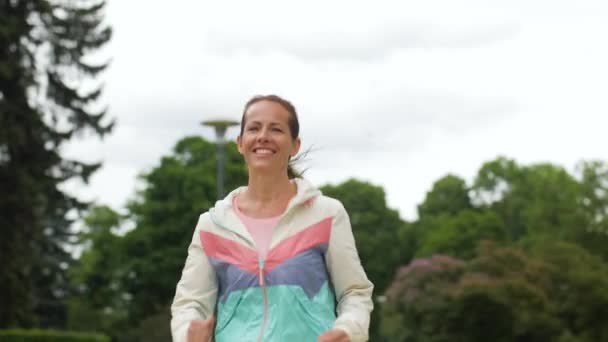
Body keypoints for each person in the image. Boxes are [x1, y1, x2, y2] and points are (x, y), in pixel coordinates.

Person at [170, 95, 373, 342]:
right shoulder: (212, 225)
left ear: (294, 145)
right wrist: (187, 334)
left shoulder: (327, 214)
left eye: (276, 129)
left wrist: (348, 330)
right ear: (240, 143)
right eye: (254, 128)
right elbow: (190, 303)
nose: (263, 136)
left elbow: (354, 292)